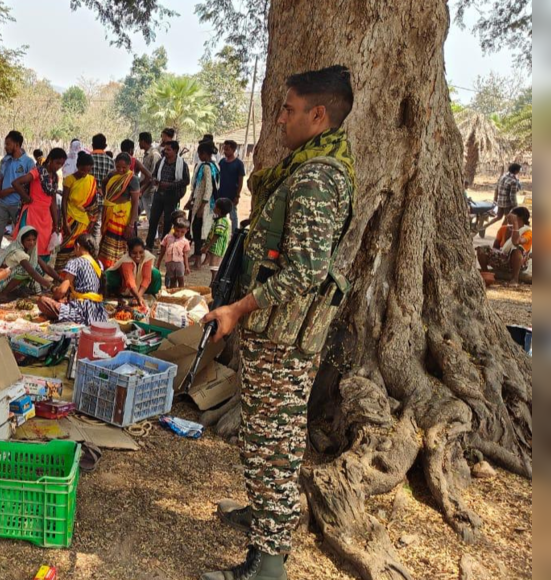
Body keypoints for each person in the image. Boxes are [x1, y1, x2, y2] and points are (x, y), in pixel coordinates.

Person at [200, 65, 356, 580]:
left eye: (288, 110)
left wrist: (238, 308)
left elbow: (305, 273)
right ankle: (268, 519)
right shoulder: (308, 165)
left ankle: (267, 565)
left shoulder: (317, 176)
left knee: (272, 442)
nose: (280, 119)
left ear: (319, 114)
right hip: (277, 333)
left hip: (282, 335)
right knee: (273, 437)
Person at [37, 234, 107, 325]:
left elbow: (61, 291)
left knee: (42, 301)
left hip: (81, 312)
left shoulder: (75, 262)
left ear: (77, 246)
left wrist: (54, 300)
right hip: (98, 312)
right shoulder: (99, 264)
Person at [12, 147, 66, 261]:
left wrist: (56, 224)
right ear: (50, 159)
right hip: (32, 214)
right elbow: (16, 183)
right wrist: (27, 198)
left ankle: (36, 275)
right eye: (57, 163)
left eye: (61, 164)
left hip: (45, 217)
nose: (58, 167)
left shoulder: (55, 177)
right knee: (28, 246)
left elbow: (53, 201)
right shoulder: (38, 171)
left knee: (43, 247)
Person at [0, 130, 36, 265]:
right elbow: (1, 179)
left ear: (17, 144)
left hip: (18, 205)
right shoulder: (5, 160)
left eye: (8, 144)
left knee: (19, 237)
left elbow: (29, 184)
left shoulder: (28, 162)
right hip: (2, 203)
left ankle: (18, 266)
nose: (6, 147)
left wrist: (10, 190)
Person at [0, 226, 61, 301]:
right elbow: (31, 272)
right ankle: (2, 294)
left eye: (34, 240)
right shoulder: (17, 251)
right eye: (28, 240)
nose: (32, 243)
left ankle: (18, 289)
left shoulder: (30, 251)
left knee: (37, 266)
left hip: (8, 279)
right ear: (22, 240)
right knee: (25, 270)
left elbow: (45, 267)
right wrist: (51, 286)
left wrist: (60, 279)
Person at [99, 153, 142, 269]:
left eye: (124, 168)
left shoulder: (133, 179)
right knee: (107, 242)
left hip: (122, 216)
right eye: (118, 167)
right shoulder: (112, 174)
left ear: (129, 166)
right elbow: (103, 183)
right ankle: (107, 268)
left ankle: (120, 268)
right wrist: (106, 197)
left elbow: (135, 203)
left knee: (120, 243)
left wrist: (131, 224)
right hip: (109, 214)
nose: (121, 170)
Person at [57, 152, 98, 271]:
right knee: (66, 247)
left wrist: (92, 219)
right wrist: (65, 222)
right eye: (82, 170)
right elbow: (64, 201)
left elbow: (93, 202)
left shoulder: (91, 180)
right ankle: (61, 273)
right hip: (70, 217)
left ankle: (77, 273)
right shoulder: (69, 179)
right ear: (78, 166)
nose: (85, 173)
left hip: (84, 219)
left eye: (87, 171)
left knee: (81, 247)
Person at [146, 141, 190, 248]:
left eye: (168, 149)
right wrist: (155, 181)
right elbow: (154, 175)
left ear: (175, 150)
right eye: (165, 149)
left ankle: (164, 245)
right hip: (159, 194)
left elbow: (186, 181)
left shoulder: (182, 165)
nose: (165, 151)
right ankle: (149, 244)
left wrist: (170, 185)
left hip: (172, 196)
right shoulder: (161, 162)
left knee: (168, 221)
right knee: (153, 220)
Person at [477, 206, 532, 286]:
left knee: (517, 250)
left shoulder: (528, 232)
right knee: (482, 249)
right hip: (502, 260)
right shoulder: (503, 229)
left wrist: (515, 224)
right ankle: (486, 275)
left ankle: (514, 279)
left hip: (518, 264)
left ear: (520, 218)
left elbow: (516, 242)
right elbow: (495, 248)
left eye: (511, 215)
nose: (507, 217)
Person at [104, 237, 161, 307]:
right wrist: (138, 297)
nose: (138, 256)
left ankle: (150, 293)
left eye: (141, 252)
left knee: (156, 274)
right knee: (108, 276)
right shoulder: (126, 260)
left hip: (140, 283)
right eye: (134, 253)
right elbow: (130, 281)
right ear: (129, 252)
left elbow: (147, 278)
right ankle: (115, 292)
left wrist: (138, 296)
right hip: (123, 281)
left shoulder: (147, 256)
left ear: (144, 250)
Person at [186, 141, 220, 258]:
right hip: (199, 201)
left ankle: (198, 256)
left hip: (203, 204)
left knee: (198, 229)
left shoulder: (206, 167)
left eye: (199, 154)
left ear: (204, 154)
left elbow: (209, 188)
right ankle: (197, 254)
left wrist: (202, 206)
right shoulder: (215, 166)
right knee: (198, 227)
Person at [89, 134, 113, 244]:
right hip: (105, 198)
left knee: (89, 225)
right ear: (105, 145)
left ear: (92, 145)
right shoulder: (110, 161)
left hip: (89, 199)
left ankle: (90, 248)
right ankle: (97, 249)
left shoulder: (87, 159)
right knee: (100, 225)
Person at [218, 140, 245, 235]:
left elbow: (240, 181)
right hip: (220, 194)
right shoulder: (221, 162)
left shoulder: (239, 164)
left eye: (227, 149)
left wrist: (237, 195)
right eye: (224, 149)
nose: (225, 151)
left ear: (233, 150)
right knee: (219, 215)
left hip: (232, 195)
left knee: (233, 216)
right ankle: (219, 233)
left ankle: (234, 235)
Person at [200, 198, 233, 274]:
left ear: (218, 209)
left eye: (215, 206)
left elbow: (217, 235)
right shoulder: (219, 219)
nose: (214, 208)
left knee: (214, 267)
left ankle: (214, 282)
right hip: (215, 247)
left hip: (217, 248)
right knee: (213, 265)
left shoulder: (222, 221)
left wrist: (207, 246)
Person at [158, 218, 192, 289]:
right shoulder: (168, 237)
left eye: (182, 232)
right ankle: (173, 296)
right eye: (177, 231)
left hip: (179, 263)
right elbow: (163, 250)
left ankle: (181, 295)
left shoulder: (185, 241)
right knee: (172, 280)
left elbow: (185, 255)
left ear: (187, 230)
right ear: (173, 228)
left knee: (181, 280)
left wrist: (187, 266)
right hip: (169, 263)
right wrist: (159, 262)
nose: (179, 233)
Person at [490, 162, 524, 230]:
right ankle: (502, 234)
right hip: (507, 203)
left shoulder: (503, 176)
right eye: (518, 170)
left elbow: (497, 188)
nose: (519, 172)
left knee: (498, 217)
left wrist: (495, 198)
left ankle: (484, 226)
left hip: (500, 201)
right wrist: (515, 206)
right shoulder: (513, 181)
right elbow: (512, 196)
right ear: (516, 171)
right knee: (507, 219)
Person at [139, 132, 162, 218]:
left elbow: (152, 176)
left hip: (150, 191)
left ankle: (154, 232)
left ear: (143, 141)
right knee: (135, 212)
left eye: (139, 141)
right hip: (144, 190)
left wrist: (142, 189)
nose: (139, 143)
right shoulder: (147, 154)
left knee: (151, 217)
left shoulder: (154, 155)